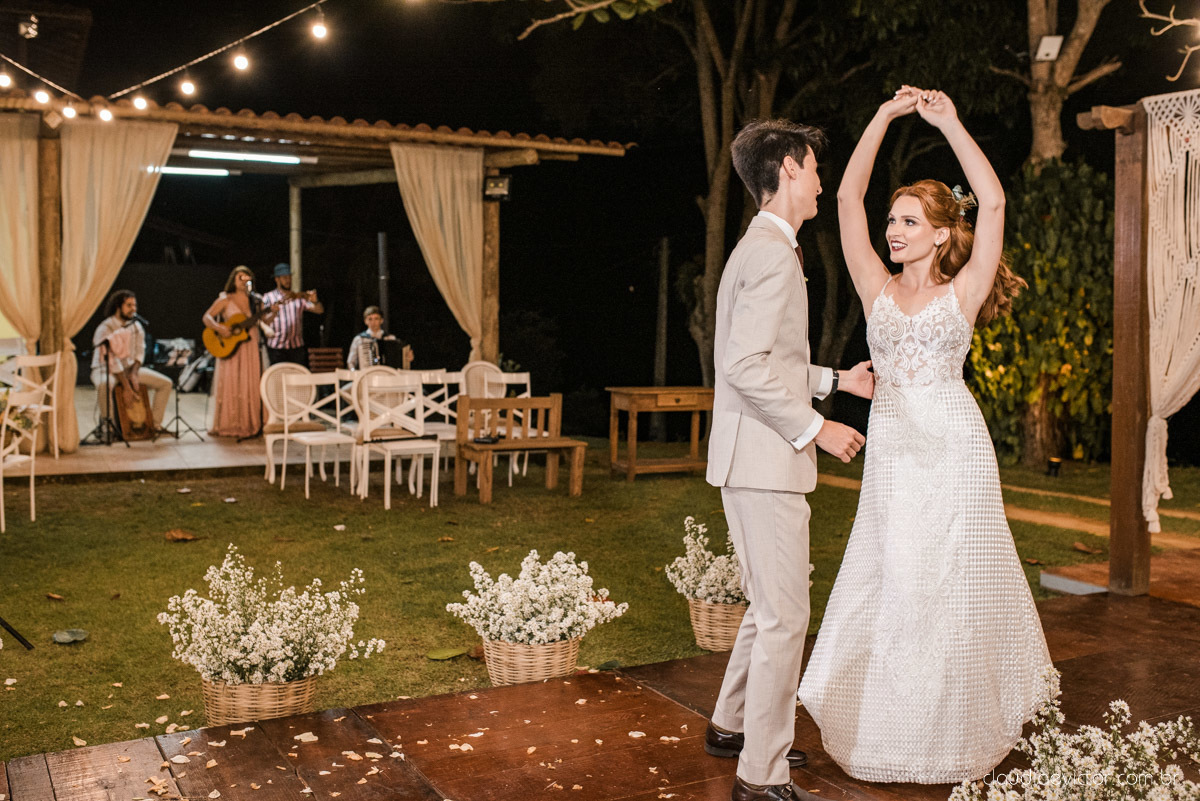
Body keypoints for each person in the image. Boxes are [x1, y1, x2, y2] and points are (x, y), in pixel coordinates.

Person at [796, 87, 1051, 783]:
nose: (894, 230)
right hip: (896, 455)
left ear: (941, 233)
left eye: (909, 220)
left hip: (955, 450)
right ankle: (890, 735)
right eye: (893, 220)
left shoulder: (962, 290)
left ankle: (954, 738)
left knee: (952, 588)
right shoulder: (874, 285)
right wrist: (882, 116)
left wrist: (951, 123)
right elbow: (847, 199)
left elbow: (992, 202)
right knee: (899, 582)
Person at [704, 119, 874, 801]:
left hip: (747, 459)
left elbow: (764, 357)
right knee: (785, 618)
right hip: (766, 462)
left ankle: (731, 724)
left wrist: (835, 380)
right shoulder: (773, 255)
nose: (822, 183)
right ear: (789, 169)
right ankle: (761, 773)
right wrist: (817, 428)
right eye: (815, 169)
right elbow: (744, 365)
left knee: (769, 607)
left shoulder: (759, 247)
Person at [203, 266, 273, 438]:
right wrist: (219, 327)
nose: (244, 281)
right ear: (233, 280)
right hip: (231, 347)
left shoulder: (256, 300)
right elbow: (207, 317)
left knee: (252, 381)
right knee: (233, 381)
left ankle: (253, 421)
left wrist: (274, 313)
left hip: (251, 345)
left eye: (247, 278)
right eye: (240, 278)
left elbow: (265, 321)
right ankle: (232, 422)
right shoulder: (225, 299)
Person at [91, 290, 173, 430]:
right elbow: (112, 360)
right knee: (104, 385)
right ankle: (109, 429)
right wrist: (127, 387)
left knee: (166, 383)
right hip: (105, 369)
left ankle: (154, 425)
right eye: (129, 305)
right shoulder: (106, 327)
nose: (133, 309)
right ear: (118, 307)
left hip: (129, 369)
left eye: (135, 305)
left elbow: (140, 351)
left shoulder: (136, 326)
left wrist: (134, 373)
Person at [261, 262, 323, 366]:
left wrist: (315, 301)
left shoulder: (297, 297)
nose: (288, 280)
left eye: (289, 277)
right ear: (277, 279)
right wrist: (273, 313)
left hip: (296, 347)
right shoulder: (268, 297)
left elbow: (319, 310)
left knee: (297, 374)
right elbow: (264, 321)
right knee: (278, 374)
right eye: (284, 277)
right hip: (277, 348)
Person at [346, 306, 413, 370]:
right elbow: (350, 362)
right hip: (366, 374)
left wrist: (407, 357)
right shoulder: (359, 339)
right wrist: (354, 373)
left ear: (381, 320)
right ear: (365, 321)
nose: (373, 322)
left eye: (376, 318)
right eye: (370, 319)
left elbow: (401, 360)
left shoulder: (390, 338)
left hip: (388, 375)